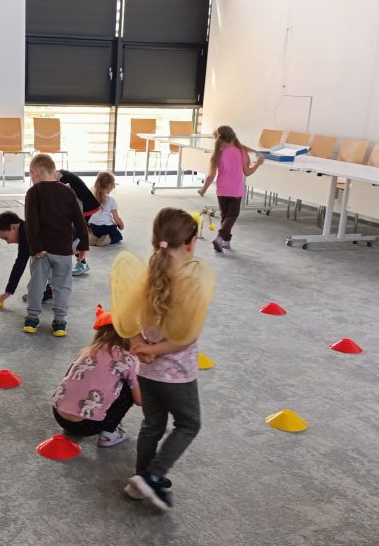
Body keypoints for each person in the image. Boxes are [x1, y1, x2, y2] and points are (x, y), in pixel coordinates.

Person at [110, 208, 215, 511]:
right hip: (177, 374)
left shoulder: (147, 276)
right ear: (191, 243)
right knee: (188, 423)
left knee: (152, 424)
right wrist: (155, 350)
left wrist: (140, 345)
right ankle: (153, 477)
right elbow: (186, 336)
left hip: (146, 371)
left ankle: (140, 478)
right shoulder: (189, 283)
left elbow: (126, 319)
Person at [52, 305, 141, 447]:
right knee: (128, 387)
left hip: (59, 416)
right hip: (88, 426)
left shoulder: (88, 351)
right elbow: (139, 400)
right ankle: (109, 434)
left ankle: (73, 417)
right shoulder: (128, 358)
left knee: (82, 372)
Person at [23, 154, 89, 336]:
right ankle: (59, 321)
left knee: (37, 284)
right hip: (63, 250)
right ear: (53, 172)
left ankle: (32, 319)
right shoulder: (68, 192)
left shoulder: (33, 193)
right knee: (62, 285)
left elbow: (31, 223)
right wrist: (83, 243)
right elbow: (79, 219)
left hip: (41, 251)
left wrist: (36, 246)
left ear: (33, 172)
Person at [197, 125, 264, 253]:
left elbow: (210, 176)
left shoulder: (217, 153)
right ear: (233, 136)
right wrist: (257, 164)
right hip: (235, 191)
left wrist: (203, 190)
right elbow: (247, 172)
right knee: (232, 215)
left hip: (222, 190)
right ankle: (219, 237)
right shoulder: (241, 151)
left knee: (225, 216)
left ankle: (225, 242)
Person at [0, 211, 51, 307]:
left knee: (38, 260)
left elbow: (20, 264)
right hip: (70, 241)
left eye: (6, 238)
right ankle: (50, 288)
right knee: (38, 256)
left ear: (13, 227)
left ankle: (37, 295)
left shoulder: (26, 234)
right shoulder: (26, 229)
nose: (8, 242)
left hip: (68, 244)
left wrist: (7, 292)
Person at [55, 168, 97, 275]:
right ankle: (80, 262)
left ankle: (82, 264)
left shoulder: (64, 181)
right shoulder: (62, 176)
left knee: (75, 235)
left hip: (86, 207)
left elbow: (69, 201)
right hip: (84, 205)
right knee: (75, 235)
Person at [87, 171, 124, 246]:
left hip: (93, 227)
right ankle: (107, 240)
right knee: (118, 237)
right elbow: (116, 218)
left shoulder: (90, 199)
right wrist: (121, 225)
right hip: (107, 228)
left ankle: (92, 237)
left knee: (91, 230)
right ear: (110, 185)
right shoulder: (111, 201)